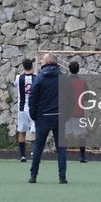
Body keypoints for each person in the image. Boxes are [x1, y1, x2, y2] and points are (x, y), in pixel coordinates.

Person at [28, 53, 67, 184]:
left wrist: (34, 115)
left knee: (38, 147)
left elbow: (32, 98)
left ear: (47, 62)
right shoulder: (63, 77)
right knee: (61, 148)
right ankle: (62, 176)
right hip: (59, 116)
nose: (41, 63)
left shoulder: (39, 78)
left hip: (43, 117)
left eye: (42, 61)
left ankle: (33, 175)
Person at [14, 59, 37, 162]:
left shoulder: (19, 78)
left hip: (22, 108)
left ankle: (23, 155)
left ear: (23, 67)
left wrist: (25, 70)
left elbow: (20, 77)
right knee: (36, 131)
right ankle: (33, 152)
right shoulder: (36, 77)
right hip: (34, 107)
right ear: (32, 66)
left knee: (22, 131)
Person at [67, 61, 88, 163]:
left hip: (67, 112)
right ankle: (82, 156)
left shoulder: (65, 82)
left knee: (65, 134)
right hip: (79, 111)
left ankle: (63, 155)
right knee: (81, 134)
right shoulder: (83, 82)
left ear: (69, 69)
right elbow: (87, 96)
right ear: (78, 70)